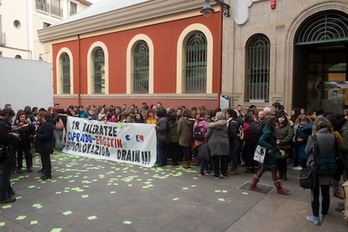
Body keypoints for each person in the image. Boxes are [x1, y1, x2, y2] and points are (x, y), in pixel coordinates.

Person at [305, 117, 338, 225]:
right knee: (326, 192)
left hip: (316, 169)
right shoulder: (334, 137)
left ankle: (315, 217)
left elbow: (306, 151)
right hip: (329, 168)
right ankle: (324, 212)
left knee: (315, 193)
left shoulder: (313, 137)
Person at [249, 116, 289, 194]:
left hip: (268, 153)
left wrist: (277, 149)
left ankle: (253, 183)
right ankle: (279, 187)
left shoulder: (268, 130)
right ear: (273, 124)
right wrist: (270, 147)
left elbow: (271, 142)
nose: (278, 126)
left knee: (263, 168)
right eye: (276, 124)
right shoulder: (268, 132)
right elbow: (261, 140)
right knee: (273, 169)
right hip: (269, 154)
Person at [0, 108, 19, 204]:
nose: (10, 119)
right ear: (7, 114)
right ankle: (3, 196)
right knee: (5, 174)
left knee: (3, 173)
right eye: (10, 117)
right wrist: (12, 136)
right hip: (4, 152)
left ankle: (8, 191)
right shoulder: (2, 124)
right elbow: (5, 139)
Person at [205, 111, 229, 179]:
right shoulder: (225, 124)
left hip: (214, 143)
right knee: (224, 158)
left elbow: (207, 135)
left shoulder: (212, 125)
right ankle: (224, 173)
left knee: (215, 159)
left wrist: (205, 136)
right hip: (224, 142)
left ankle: (216, 174)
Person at [275, 110, 294, 180]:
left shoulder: (288, 127)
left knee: (283, 161)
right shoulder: (275, 126)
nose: (281, 119)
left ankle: (284, 174)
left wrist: (281, 141)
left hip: (284, 147)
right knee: (278, 161)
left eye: (282, 117)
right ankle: (279, 173)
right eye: (279, 117)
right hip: (277, 147)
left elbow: (290, 136)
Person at [35, 112, 54, 180]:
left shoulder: (46, 125)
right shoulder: (48, 124)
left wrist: (37, 136)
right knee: (45, 159)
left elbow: (46, 135)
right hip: (45, 144)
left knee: (46, 160)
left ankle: (47, 174)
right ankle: (45, 171)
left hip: (45, 145)